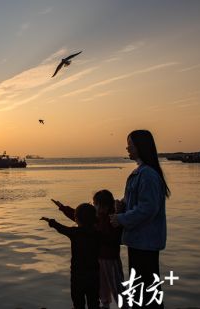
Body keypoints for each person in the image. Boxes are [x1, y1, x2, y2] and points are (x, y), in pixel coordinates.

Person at [110, 129, 169, 309]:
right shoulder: (142, 173)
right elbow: (138, 203)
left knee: (145, 291)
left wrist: (121, 219)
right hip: (139, 241)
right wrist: (122, 205)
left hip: (145, 242)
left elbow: (148, 208)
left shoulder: (147, 175)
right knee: (141, 290)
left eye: (131, 144)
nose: (127, 148)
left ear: (140, 147)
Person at [52, 191, 124, 309]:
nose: (96, 207)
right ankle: (105, 305)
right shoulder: (94, 219)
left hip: (111, 260)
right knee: (102, 287)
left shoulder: (112, 219)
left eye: (98, 204)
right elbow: (78, 215)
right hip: (98, 260)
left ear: (106, 206)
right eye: (95, 204)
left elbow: (114, 237)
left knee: (117, 286)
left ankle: (124, 305)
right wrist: (62, 208)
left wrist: (118, 212)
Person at [41, 203, 100, 309]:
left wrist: (50, 221)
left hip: (78, 275)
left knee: (78, 303)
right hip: (94, 275)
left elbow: (61, 228)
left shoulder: (75, 232)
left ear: (76, 219)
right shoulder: (97, 233)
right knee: (94, 302)